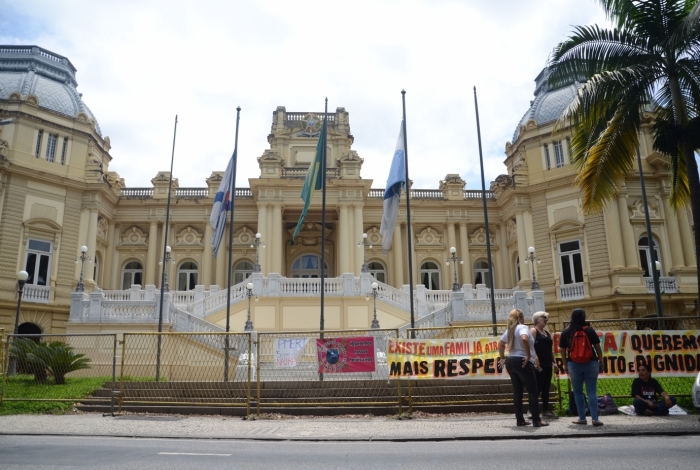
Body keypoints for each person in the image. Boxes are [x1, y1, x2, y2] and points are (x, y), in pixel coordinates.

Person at [498, 309, 548, 427]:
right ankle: (536, 420)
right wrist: (528, 355)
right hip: (522, 360)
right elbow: (524, 338)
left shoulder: (510, 330)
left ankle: (519, 420)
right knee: (533, 391)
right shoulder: (522, 327)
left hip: (511, 360)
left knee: (518, 392)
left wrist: (502, 358)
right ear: (521, 318)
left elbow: (500, 344)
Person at [559, 308, 604, 426]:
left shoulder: (566, 332)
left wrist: (565, 364)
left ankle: (582, 418)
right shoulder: (589, 330)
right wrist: (601, 361)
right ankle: (595, 419)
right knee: (592, 391)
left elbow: (562, 351)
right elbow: (598, 348)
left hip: (573, 364)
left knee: (578, 392)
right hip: (591, 362)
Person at [530, 311, 558, 418]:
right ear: (537, 319)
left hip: (547, 364)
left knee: (546, 388)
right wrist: (535, 358)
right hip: (538, 365)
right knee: (537, 387)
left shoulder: (547, 333)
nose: (546, 320)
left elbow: (550, 350)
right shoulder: (533, 331)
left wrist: (554, 362)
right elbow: (530, 346)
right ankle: (532, 410)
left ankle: (546, 410)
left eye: (547, 318)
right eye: (544, 318)